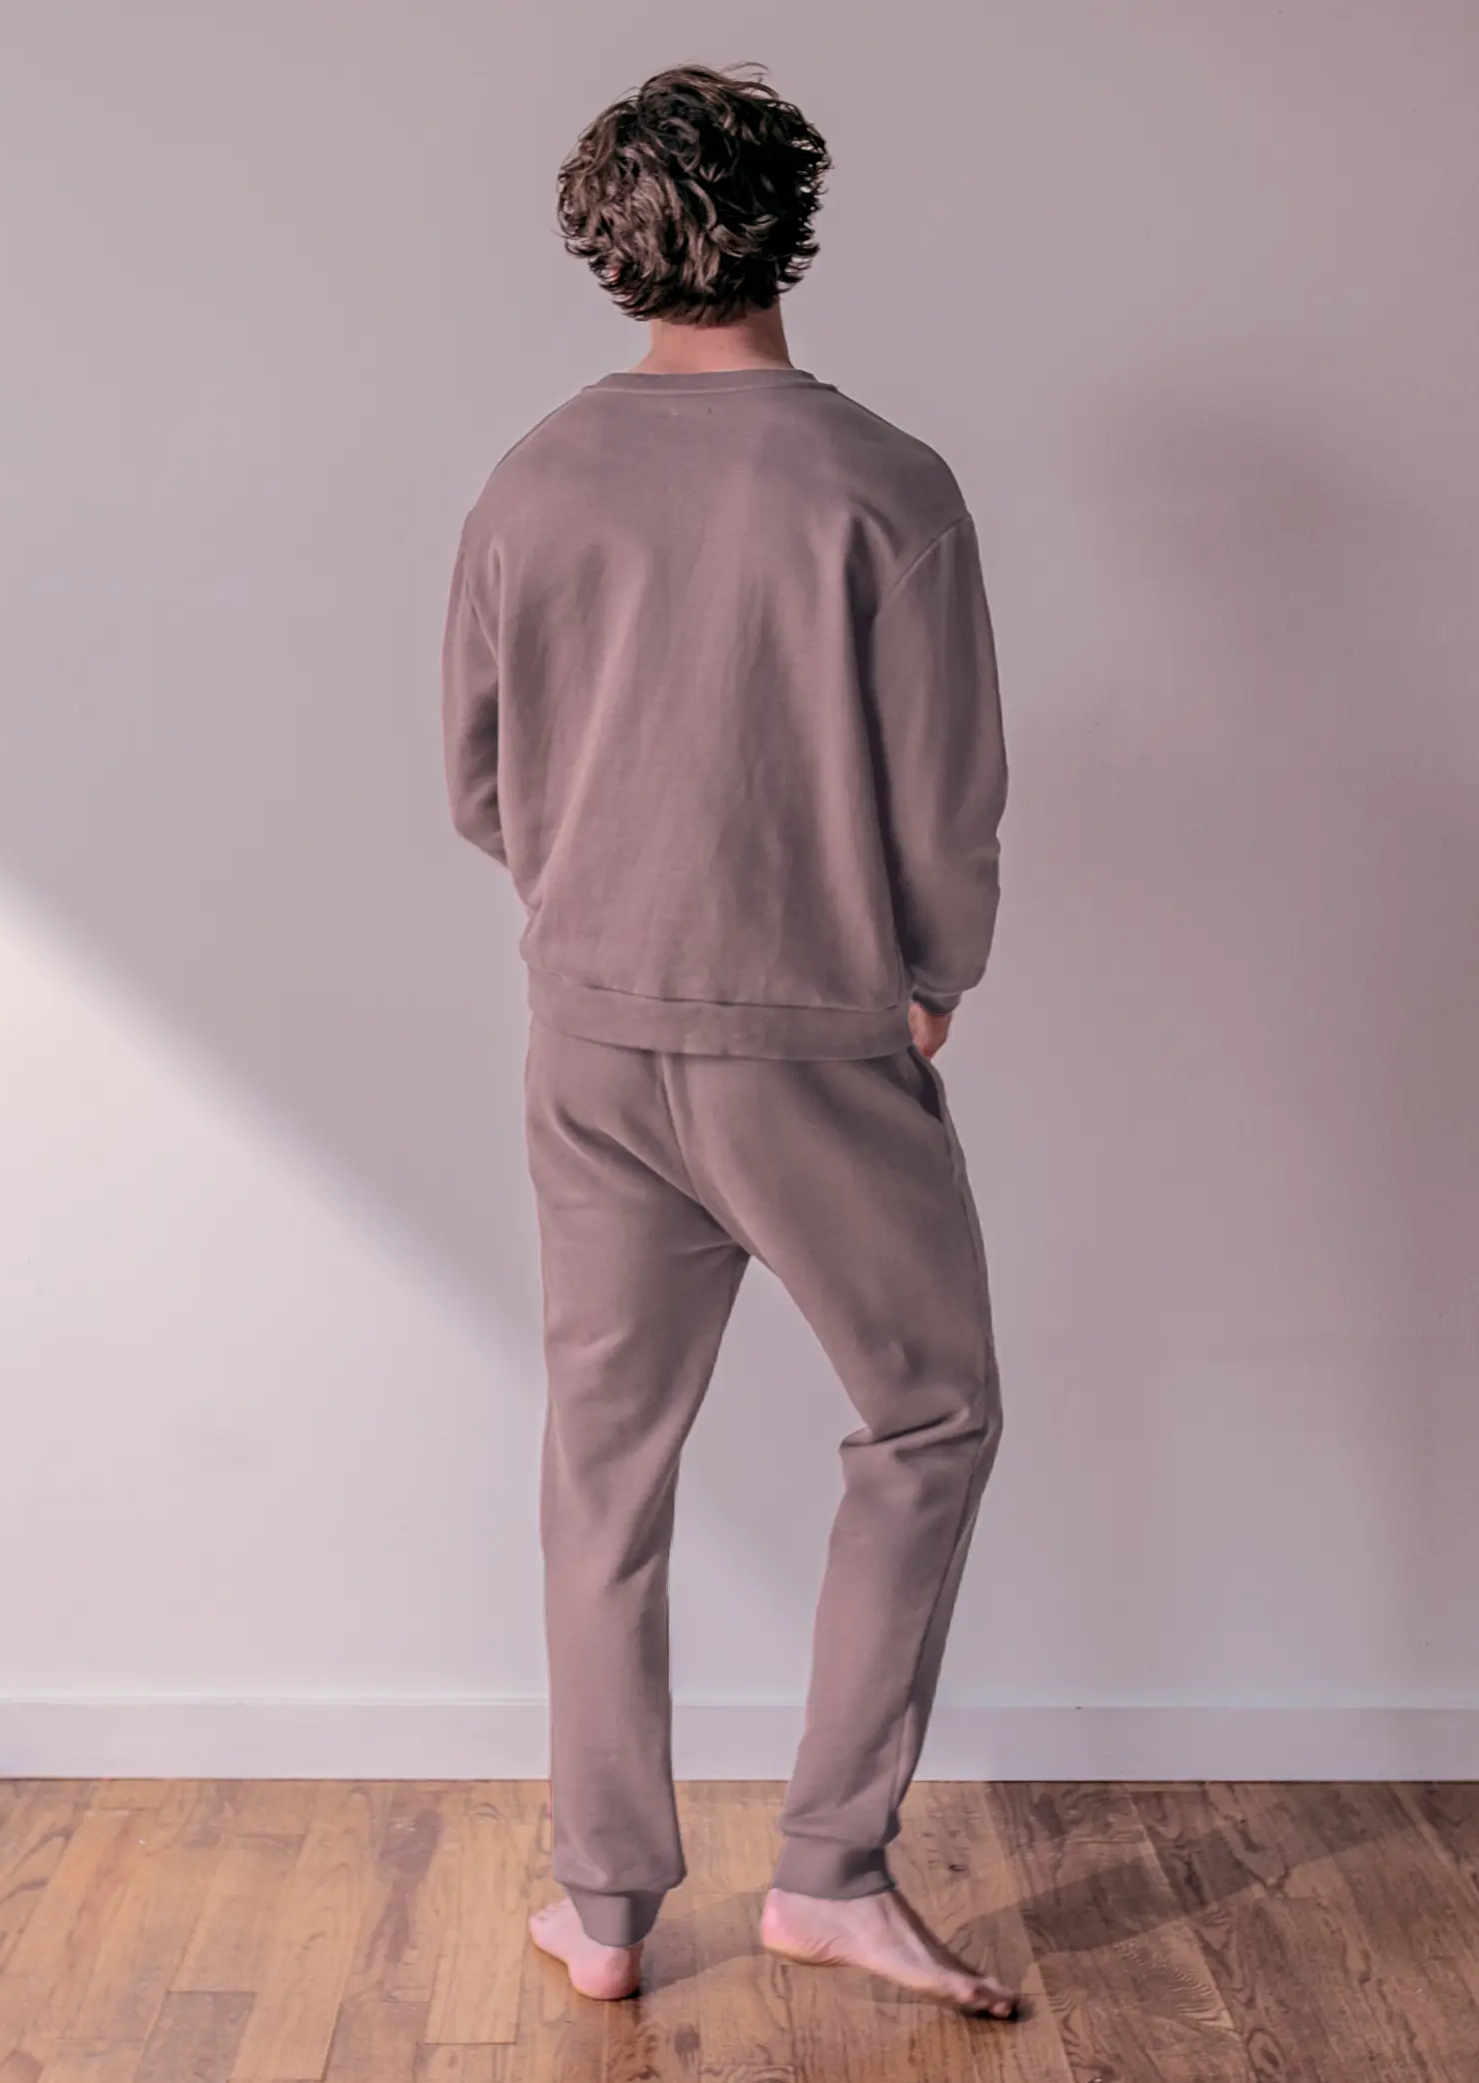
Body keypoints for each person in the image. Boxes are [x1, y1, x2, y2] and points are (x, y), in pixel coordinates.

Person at [441, 62, 1013, 2018]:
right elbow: (943, 793)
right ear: (794, 216)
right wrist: (932, 973)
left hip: (585, 1039)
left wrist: (599, 900)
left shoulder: (531, 477)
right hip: (807, 1041)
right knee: (927, 1420)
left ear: (608, 244)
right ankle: (830, 1875)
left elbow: (480, 783)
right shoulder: (883, 486)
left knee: (602, 1467)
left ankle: (600, 1913)